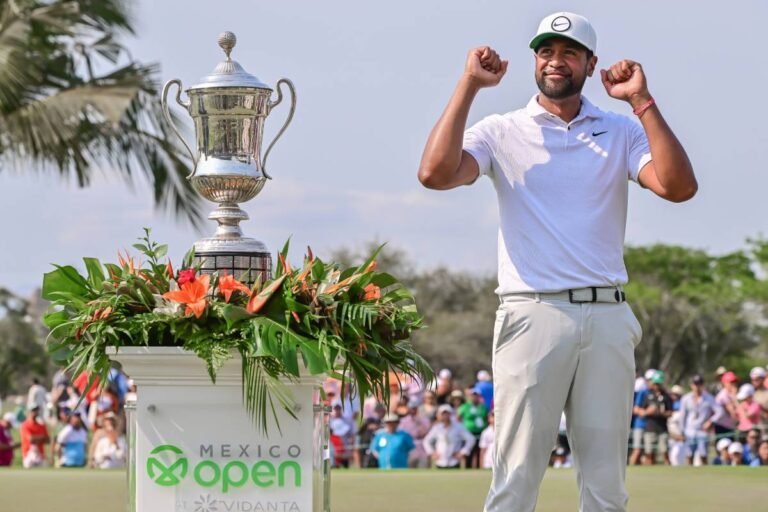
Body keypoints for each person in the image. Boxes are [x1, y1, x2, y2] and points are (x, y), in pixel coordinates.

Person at [417, 9, 696, 511]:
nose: (556, 61)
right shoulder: (502, 129)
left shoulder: (622, 129)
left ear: (591, 64)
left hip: (608, 315)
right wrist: (469, 84)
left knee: (606, 484)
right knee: (517, 477)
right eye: (546, 51)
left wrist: (640, 100)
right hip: (532, 312)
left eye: (570, 53)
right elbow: (435, 173)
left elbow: (678, 188)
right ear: (535, 61)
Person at [424, 404, 476, 469]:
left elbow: (471, 439)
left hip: (454, 461)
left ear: (450, 414)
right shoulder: (437, 428)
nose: (445, 416)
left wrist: (463, 452)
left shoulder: (458, 427)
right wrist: (432, 453)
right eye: (443, 414)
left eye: (447, 413)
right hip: (440, 461)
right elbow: (426, 441)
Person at [680, 375, 717, 465]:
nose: (697, 387)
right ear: (691, 385)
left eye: (699, 384)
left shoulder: (709, 398)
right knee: (689, 454)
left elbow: (719, 412)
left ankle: (705, 475)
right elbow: (683, 416)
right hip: (689, 430)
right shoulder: (686, 398)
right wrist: (682, 431)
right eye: (695, 384)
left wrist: (710, 421)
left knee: (703, 454)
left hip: (702, 430)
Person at [640, 371, 672, 465]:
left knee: (665, 452)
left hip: (662, 428)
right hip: (650, 428)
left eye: (659, 383)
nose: (657, 386)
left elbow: (670, 412)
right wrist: (647, 412)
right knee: (649, 454)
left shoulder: (666, 396)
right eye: (655, 383)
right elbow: (640, 411)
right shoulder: (647, 395)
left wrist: (661, 413)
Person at [457, 388, 489, 468]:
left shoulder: (483, 407)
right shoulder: (465, 407)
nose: (474, 397)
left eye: (476, 396)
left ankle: (478, 468)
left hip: (480, 432)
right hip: (469, 433)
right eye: (473, 396)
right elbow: (458, 418)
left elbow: (486, 418)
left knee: (479, 452)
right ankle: (468, 468)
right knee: (469, 453)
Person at [398, 399, 432, 468]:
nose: (413, 411)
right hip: (409, 450)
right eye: (411, 409)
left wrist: (418, 422)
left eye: (414, 408)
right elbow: (401, 436)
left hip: (423, 449)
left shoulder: (425, 420)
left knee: (423, 470)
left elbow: (427, 433)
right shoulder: (403, 421)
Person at [712, 371, 739, 442]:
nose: (734, 384)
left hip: (729, 426)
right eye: (731, 382)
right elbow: (732, 413)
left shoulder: (731, 394)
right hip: (722, 427)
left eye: (735, 382)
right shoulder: (723, 395)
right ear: (724, 383)